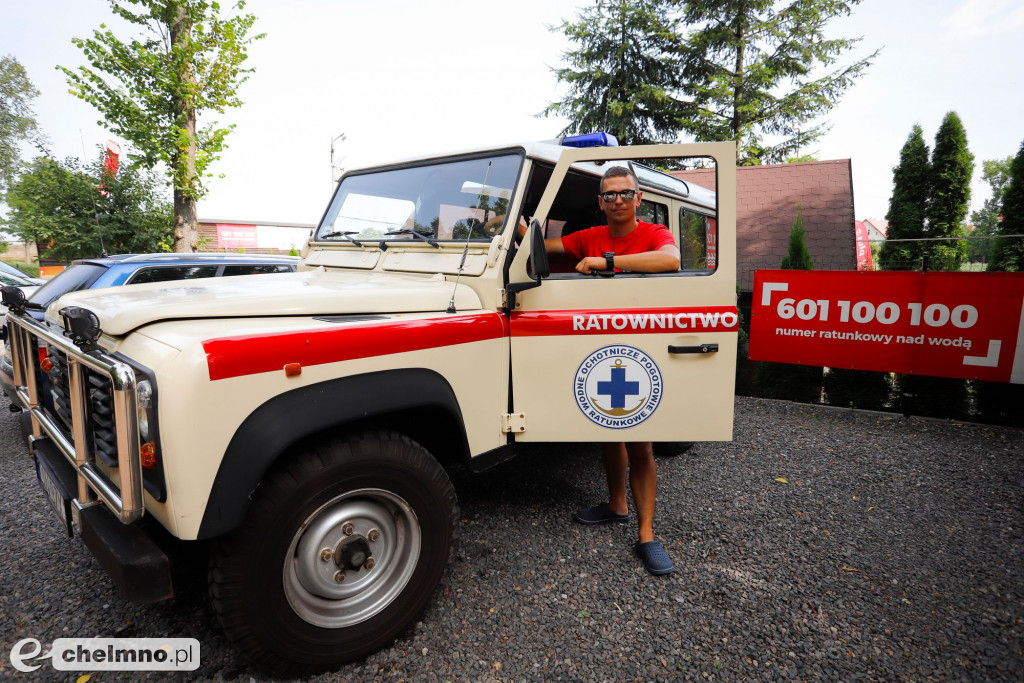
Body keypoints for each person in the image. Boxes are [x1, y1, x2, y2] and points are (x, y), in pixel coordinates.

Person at [520, 165, 680, 575]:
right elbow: (548, 247)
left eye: (625, 193)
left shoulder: (653, 235)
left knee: (641, 442)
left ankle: (647, 535)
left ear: (638, 198)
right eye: (609, 195)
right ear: (601, 202)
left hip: (640, 342)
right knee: (607, 428)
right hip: (599, 341)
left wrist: (605, 260)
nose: (618, 201)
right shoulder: (589, 235)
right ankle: (616, 505)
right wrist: (519, 228)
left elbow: (671, 260)